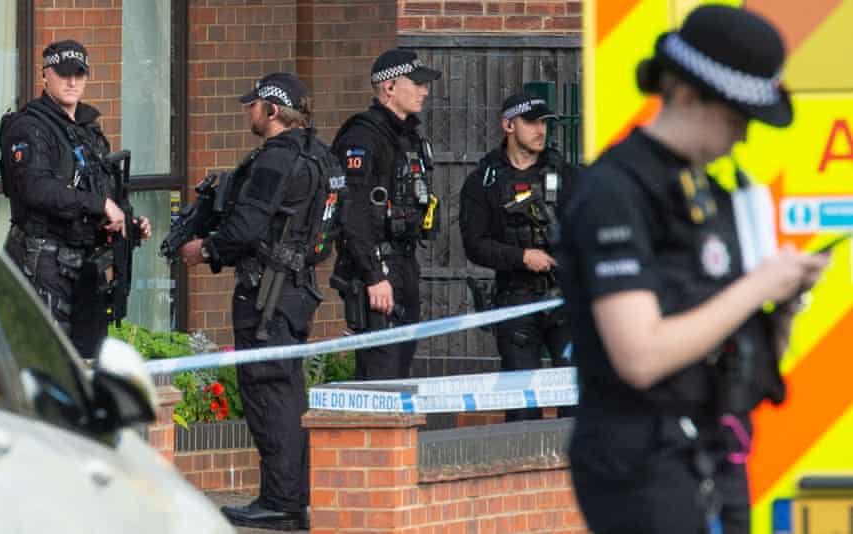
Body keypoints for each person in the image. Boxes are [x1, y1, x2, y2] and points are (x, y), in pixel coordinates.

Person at [561, 6, 830, 533]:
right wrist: (757, 287)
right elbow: (639, 356)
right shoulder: (616, 192)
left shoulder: (712, 194)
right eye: (736, 118)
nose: (744, 136)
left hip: (712, 450)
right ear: (686, 93)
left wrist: (785, 303)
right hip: (641, 463)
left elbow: (745, 354)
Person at [180, 72, 344, 531]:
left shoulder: (275, 160)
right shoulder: (320, 155)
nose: (248, 112)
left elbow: (246, 228)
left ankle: (281, 501)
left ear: (272, 110)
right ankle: (294, 495)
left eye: (253, 105)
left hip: (266, 294)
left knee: (268, 392)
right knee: (289, 392)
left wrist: (205, 250)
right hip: (297, 288)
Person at [0, 39, 150, 359]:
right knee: (49, 362)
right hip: (42, 261)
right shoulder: (28, 127)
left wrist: (126, 221)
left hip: (83, 265)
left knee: (88, 359)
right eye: (63, 73)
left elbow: (102, 189)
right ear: (45, 76)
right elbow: (34, 187)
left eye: (79, 74)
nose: (71, 82)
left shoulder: (87, 129)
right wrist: (98, 206)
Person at [459, 92, 576, 421]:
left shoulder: (565, 175)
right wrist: (521, 256)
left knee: (575, 398)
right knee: (523, 404)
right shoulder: (484, 182)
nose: (541, 130)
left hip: (565, 300)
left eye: (544, 123)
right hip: (517, 299)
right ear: (509, 125)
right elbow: (475, 244)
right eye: (532, 122)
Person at [331, 48, 441, 380]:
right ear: (390, 87)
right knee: (381, 372)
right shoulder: (363, 137)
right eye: (417, 83)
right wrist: (373, 275)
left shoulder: (408, 138)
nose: (425, 91)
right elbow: (352, 212)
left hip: (404, 264)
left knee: (401, 368)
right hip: (377, 269)